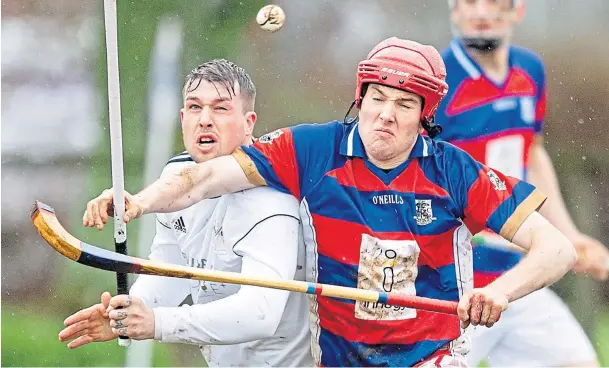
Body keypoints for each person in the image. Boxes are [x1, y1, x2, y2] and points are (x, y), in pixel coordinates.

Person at [82, 37, 578, 367]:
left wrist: (500, 294)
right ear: (360, 97)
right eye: (377, 98)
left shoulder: (453, 170)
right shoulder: (312, 149)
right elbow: (204, 178)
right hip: (335, 359)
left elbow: (557, 250)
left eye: (404, 105)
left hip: (432, 357)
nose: (386, 115)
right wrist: (139, 201)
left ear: (425, 115)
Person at [58, 59, 314, 367]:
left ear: (249, 123)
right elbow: (171, 268)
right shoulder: (176, 173)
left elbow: (260, 313)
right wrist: (132, 309)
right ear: (182, 118)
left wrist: (157, 322)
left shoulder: (274, 200)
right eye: (195, 107)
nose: (205, 119)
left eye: (220, 108)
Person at [435, 1, 608, 366]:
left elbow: (533, 154)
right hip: (452, 288)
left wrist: (568, 235)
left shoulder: (530, 70)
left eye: (496, 3)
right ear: (453, 10)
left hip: (518, 279)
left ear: (518, 11)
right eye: (469, 2)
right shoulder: (436, 80)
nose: (482, 13)